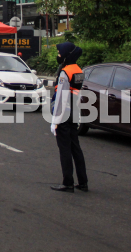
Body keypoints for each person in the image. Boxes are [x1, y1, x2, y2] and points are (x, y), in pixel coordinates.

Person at [50, 42, 88, 193]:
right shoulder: (79, 70)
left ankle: (68, 182)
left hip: (64, 114)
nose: (58, 56)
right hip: (74, 112)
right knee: (76, 148)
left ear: (66, 54)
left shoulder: (65, 72)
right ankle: (83, 182)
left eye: (60, 53)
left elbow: (61, 97)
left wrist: (55, 121)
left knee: (65, 149)